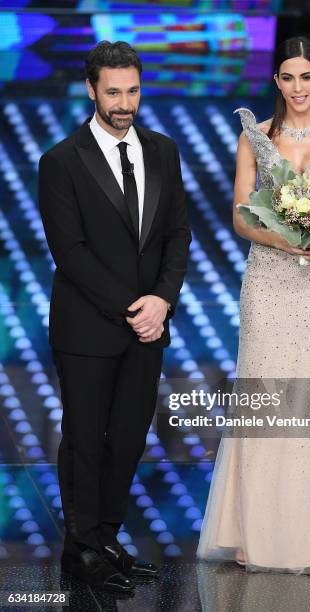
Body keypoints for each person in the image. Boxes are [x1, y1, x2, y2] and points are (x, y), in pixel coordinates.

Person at [197, 35, 310, 574]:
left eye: (306, 77)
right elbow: (241, 216)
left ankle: (307, 539)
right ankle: (248, 531)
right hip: (267, 281)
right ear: (277, 82)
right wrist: (280, 239)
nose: (297, 88)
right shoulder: (256, 136)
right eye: (287, 78)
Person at [38, 41, 191, 593]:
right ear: (91, 90)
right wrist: (135, 307)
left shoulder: (164, 150)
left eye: (132, 90)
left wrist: (162, 300)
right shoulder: (60, 160)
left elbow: (177, 233)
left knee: (127, 439)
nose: (124, 103)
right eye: (113, 92)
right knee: (85, 439)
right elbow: (70, 251)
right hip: (88, 327)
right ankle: (81, 551)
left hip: (150, 324)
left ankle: (105, 539)